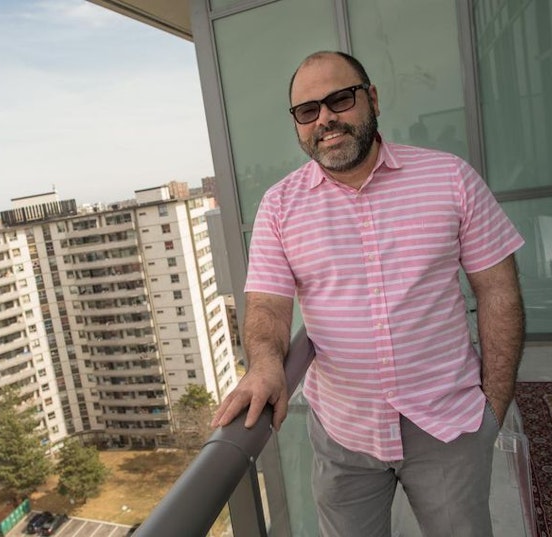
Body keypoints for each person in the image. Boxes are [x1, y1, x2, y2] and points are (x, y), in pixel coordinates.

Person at [211, 51, 525, 537]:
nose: (326, 119)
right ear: (296, 123)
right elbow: (269, 306)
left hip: (448, 424)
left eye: (340, 99)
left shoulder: (451, 178)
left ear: (371, 98)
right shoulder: (279, 206)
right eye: (307, 111)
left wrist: (493, 409)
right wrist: (267, 364)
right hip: (343, 434)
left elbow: (498, 290)